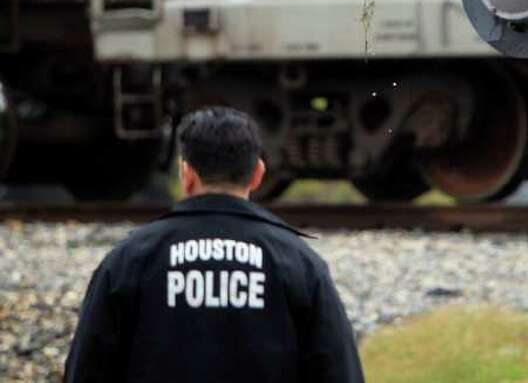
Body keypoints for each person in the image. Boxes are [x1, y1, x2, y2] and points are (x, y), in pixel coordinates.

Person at [64, 107, 364, 383]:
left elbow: (86, 370)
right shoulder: (299, 263)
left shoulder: (129, 260)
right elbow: (339, 372)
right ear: (258, 174)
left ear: (187, 175)